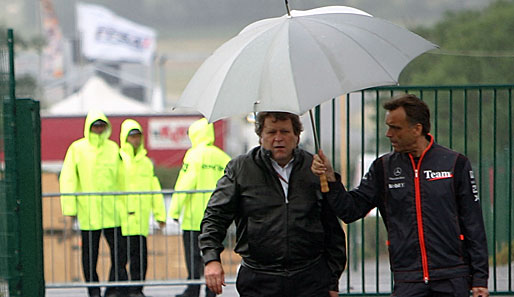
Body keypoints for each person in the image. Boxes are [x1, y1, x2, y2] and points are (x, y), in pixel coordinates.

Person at [312, 94, 489, 297]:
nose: (388, 134)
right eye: (388, 126)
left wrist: (480, 279)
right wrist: (331, 179)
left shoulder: (455, 163)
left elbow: (473, 223)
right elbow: (350, 210)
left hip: (452, 278)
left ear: (417, 129)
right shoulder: (383, 168)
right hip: (408, 280)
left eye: (395, 128)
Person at [199, 112, 347, 297]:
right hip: (259, 279)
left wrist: (332, 282)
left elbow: (333, 230)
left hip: (309, 279)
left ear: (297, 136)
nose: (278, 138)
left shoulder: (315, 168)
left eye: (285, 131)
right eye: (271, 132)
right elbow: (215, 217)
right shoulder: (241, 169)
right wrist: (211, 259)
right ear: (260, 137)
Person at [60, 110, 128, 297]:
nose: (98, 129)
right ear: (89, 127)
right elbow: (68, 179)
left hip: (113, 213)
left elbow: (122, 180)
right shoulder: (77, 148)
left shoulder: (113, 148)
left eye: (101, 125)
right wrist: (70, 208)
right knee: (90, 258)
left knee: (120, 255)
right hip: (88, 214)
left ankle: (112, 290)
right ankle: (94, 292)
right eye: (95, 126)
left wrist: (125, 206)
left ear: (107, 127)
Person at [169, 117, 231, 297]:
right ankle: (211, 291)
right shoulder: (222, 157)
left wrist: (174, 210)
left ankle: (193, 289)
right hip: (217, 219)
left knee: (193, 257)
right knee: (211, 256)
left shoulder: (194, 154)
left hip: (193, 217)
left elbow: (185, 184)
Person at [118, 119, 167, 297]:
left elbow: (154, 188)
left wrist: (160, 214)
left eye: (138, 136)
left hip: (140, 220)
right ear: (125, 138)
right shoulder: (119, 159)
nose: (135, 140)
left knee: (140, 259)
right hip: (122, 219)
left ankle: (137, 290)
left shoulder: (146, 163)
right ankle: (122, 291)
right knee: (121, 259)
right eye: (132, 137)